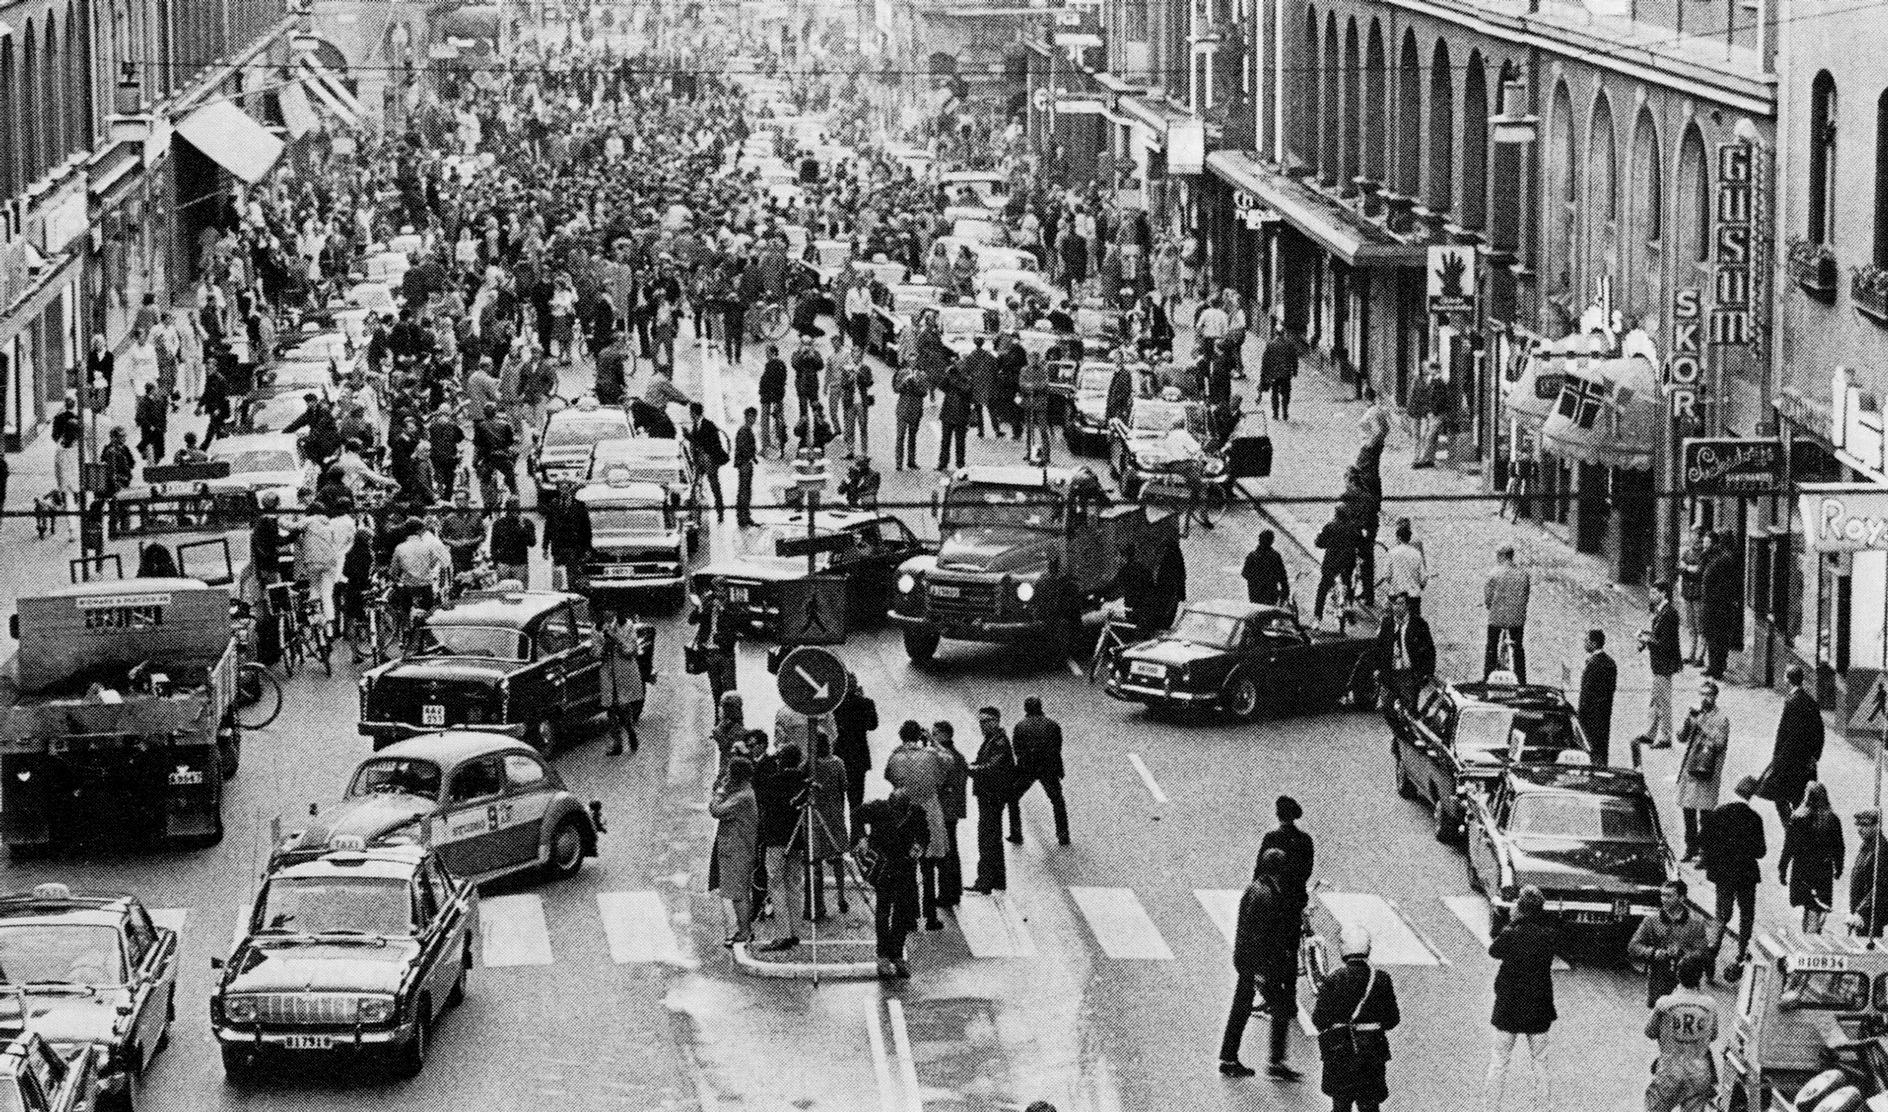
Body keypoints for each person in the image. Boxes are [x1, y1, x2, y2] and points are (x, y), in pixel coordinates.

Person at [1219, 850, 1302, 1080]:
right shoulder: (1268, 897)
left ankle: (1228, 1058)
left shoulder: (1254, 889)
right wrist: (1261, 971)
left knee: (1241, 1008)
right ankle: (1275, 1062)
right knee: (1281, 1007)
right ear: (1279, 869)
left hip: (1246, 960)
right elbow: (1261, 936)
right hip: (1259, 964)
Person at [1484, 886, 1556, 1112]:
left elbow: (1494, 951)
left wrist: (1513, 922)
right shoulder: (1547, 936)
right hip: (1538, 1006)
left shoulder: (1511, 934)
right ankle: (1542, 1108)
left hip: (1509, 1006)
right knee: (1540, 1062)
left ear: (1520, 908)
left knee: (1499, 1062)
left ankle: (1491, 1108)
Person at [1312, 926, 1400, 1112]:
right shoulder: (1381, 979)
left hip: (1341, 1053)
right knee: (1369, 1106)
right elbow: (1392, 1019)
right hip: (1372, 1052)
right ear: (1368, 948)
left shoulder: (1334, 979)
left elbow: (1319, 1019)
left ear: (1344, 949)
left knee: (1341, 1105)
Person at [855, 786, 929, 979]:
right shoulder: (878, 808)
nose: (897, 817)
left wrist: (919, 847)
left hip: (905, 867)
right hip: (885, 866)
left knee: (902, 913)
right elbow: (856, 814)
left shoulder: (916, 813)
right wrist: (862, 838)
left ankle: (896, 953)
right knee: (883, 911)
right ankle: (882, 954)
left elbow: (925, 835)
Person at [885, 721, 951, 930]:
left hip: (905, 815)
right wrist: (932, 742)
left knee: (907, 868)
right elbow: (949, 762)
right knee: (929, 867)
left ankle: (910, 918)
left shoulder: (895, 757)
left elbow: (888, 776)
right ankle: (931, 917)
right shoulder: (931, 755)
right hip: (929, 812)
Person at [1701, 774, 1765, 979]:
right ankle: (1740, 955)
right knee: (1746, 915)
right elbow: (1760, 851)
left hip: (1723, 873)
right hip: (1746, 874)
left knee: (1722, 914)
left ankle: (1711, 952)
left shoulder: (1719, 813)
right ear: (1751, 796)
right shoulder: (1754, 818)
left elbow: (1703, 840)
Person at [752, 741, 807, 952]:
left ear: (781, 761)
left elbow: (762, 799)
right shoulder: (803, 783)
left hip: (776, 839)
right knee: (794, 883)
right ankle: (795, 932)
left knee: (776, 885)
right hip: (797, 839)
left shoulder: (773, 782)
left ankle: (782, 934)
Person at [1644, 955, 1718, 1112]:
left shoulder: (1664, 1003)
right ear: (1700, 977)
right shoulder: (1710, 1005)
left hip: (1670, 1070)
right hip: (1699, 1072)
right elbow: (1713, 1035)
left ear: (1678, 975)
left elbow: (1649, 1032)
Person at [1628, 880, 1715, 1007]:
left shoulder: (1696, 923)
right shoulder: (1651, 920)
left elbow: (1703, 953)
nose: (1663, 899)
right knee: (1658, 1020)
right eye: (1662, 895)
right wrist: (1653, 952)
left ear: (1681, 898)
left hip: (1686, 985)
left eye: (1669, 896)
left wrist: (1683, 953)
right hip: (1658, 981)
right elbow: (1633, 946)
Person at [1758, 664, 1824, 828]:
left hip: (1790, 762)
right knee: (1801, 800)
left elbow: (1788, 736)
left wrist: (1778, 759)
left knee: (1780, 797)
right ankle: (1799, 833)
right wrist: (1814, 756)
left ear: (1787, 680)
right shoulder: (1810, 701)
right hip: (1806, 762)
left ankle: (1792, 831)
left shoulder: (1792, 702)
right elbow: (1819, 732)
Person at [1779, 782, 1844, 934]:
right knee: (1817, 905)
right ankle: (1813, 933)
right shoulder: (1832, 819)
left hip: (1802, 870)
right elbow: (1839, 848)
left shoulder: (1798, 818)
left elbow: (1788, 847)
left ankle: (1809, 935)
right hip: (1823, 871)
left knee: (1809, 904)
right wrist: (1838, 868)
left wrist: (1782, 870)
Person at [1677, 680, 1730, 862]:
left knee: (1706, 815)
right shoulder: (1696, 713)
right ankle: (1690, 847)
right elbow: (1681, 738)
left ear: (1715, 696)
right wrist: (1688, 720)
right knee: (1688, 811)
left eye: (1708, 694)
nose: (1704, 697)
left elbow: (1720, 743)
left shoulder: (1721, 718)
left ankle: (1706, 853)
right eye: (1702, 694)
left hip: (1708, 771)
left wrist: (1702, 725)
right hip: (1691, 769)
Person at [1005, 696, 1069, 846]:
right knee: (1057, 800)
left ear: (1026, 708)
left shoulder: (1020, 726)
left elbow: (1017, 750)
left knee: (1012, 797)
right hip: (1048, 768)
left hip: (1028, 769)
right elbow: (1057, 747)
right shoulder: (1053, 725)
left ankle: (1016, 833)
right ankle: (1063, 834)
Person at [709, 758, 759, 947]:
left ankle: (744, 931)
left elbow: (716, 810)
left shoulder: (742, 797)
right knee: (739, 892)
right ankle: (743, 929)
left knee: (738, 893)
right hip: (738, 849)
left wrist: (720, 792)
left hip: (738, 850)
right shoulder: (744, 793)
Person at [967, 707, 1017, 893]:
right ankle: (997, 879)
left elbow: (990, 768)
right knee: (993, 838)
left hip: (992, 796)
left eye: (986, 721)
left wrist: (970, 769)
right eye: (981, 721)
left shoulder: (999, 742)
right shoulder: (993, 740)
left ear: (996, 721)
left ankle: (985, 881)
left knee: (987, 838)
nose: (982, 725)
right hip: (992, 795)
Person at [1633, 581, 1684, 762]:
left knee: (1663, 701)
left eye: (1654, 593)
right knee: (1655, 699)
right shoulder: (1663, 612)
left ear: (1663, 594)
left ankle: (1665, 736)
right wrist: (1647, 636)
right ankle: (1651, 732)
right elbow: (1658, 636)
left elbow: (1666, 644)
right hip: (1659, 664)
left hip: (1664, 664)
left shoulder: (1669, 614)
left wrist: (1645, 639)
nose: (1651, 595)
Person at [1374, 593, 1435, 716]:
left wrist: (1426, 674)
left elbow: (1429, 650)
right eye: (1395, 604)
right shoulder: (1387, 624)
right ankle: (1400, 734)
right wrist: (1377, 668)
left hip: (1409, 674)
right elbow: (1378, 648)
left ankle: (1408, 734)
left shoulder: (1418, 624)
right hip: (1390, 673)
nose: (1397, 607)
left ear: (1407, 606)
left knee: (1408, 712)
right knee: (1387, 708)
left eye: (1400, 604)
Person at [931, 720, 969, 914]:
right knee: (951, 851)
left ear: (945, 735)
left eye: (935, 733)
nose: (932, 736)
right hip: (952, 810)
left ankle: (946, 893)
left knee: (943, 852)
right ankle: (954, 890)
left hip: (944, 810)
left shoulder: (945, 757)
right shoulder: (957, 756)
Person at [833, 672, 879, 834]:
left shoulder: (834, 704)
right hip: (858, 757)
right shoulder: (866, 703)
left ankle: (839, 836)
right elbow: (872, 725)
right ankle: (856, 835)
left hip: (838, 755)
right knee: (856, 801)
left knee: (837, 801)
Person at [1258, 796, 1314, 916]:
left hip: (1272, 900)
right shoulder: (1305, 839)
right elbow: (1307, 871)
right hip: (1296, 900)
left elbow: (1259, 870)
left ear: (1278, 814)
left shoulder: (1271, 838)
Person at [1483, 544, 1531, 682]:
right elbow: (1526, 597)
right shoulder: (1523, 574)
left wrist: (1490, 607)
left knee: (1491, 646)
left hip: (1497, 618)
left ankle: (1488, 677)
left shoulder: (1493, 574)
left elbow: (1488, 600)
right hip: (1517, 619)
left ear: (1502, 556)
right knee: (1518, 648)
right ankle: (1521, 680)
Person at [601, 609, 645, 755]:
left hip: (624, 673)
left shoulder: (628, 627)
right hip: (610, 673)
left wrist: (615, 640)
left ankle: (631, 733)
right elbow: (599, 651)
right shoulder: (605, 628)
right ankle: (618, 744)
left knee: (623, 707)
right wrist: (605, 643)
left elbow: (630, 651)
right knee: (611, 710)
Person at [1700, 533, 1739, 679]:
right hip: (1716, 605)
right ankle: (1713, 667)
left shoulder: (1724, 558)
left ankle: (1717, 668)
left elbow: (1707, 577)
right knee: (1713, 637)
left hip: (1718, 606)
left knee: (1718, 638)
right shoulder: (1722, 556)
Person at [1577, 630, 1618, 767]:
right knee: (1602, 748)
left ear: (1594, 644)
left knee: (1591, 749)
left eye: (1586, 641)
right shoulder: (1610, 663)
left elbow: (1587, 693)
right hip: (1604, 713)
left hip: (1590, 716)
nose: (1584, 643)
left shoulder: (1593, 664)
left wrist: (1581, 713)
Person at [687, 402, 729, 520]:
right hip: (700, 462)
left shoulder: (708, 425)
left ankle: (720, 512)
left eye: (691, 413)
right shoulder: (696, 425)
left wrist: (689, 437)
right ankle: (695, 514)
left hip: (710, 461)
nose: (690, 415)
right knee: (696, 487)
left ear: (694, 413)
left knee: (715, 486)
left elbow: (705, 442)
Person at [1850, 810, 1888, 938]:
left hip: (1872, 914)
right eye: (1858, 825)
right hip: (1860, 915)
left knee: (1870, 951)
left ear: (1876, 826)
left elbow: (1881, 886)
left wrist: (1861, 912)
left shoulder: (1881, 850)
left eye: (1865, 825)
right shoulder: (1866, 847)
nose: (1860, 829)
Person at [488, 497, 536, 588]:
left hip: (520, 564)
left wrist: (523, 529)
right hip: (503, 564)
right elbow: (493, 545)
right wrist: (495, 563)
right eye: (511, 508)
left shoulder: (526, 523)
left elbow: (532, 542)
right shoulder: (499, 524)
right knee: (503, 593)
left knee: (520, 592)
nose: (514, 511)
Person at [1382, 520, 1428, 616]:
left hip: (1395, 594)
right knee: (1416, 622)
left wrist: (1395, 583)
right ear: (1409, 537)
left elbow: (1387, 576)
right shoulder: (1417, 554)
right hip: (1413, 596)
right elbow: (1423, 578)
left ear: (1398, 538)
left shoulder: (1392, 553)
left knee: (1388, 622)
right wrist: (1419, 586)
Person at [1258, 320, 1297, 422]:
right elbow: (1294, 358)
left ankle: (1275, 414)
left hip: (1274, 374)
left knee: (1274, 393)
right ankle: (1285, 412)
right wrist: (1295, 370)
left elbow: (1265, 361)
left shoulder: (1270, 344)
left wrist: (1264, 374)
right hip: (1286, 373)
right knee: (1286, 393)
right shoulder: (1289, 344)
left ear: (1275, 332)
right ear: (1284, 332)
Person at [1242, 530, 1290, 608]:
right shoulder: (1275, 556)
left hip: (1256, 592)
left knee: (1258, 614)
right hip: (1269, 592)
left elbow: (1245, 573)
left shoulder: (1252, 556)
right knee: (1267, 614)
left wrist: (1256, 579)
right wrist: (1285, 590)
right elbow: (1282, 575)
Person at [733, 406, 759, 527]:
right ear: (746, 417)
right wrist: (751, 456)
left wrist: (754, 458)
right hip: (744, 464)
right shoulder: (744, 430)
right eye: (751, 416)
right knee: (744, 491)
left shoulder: (746, 429)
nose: (753, 419)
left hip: (746, 462)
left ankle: (745, 516)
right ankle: (743, 517)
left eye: (754, 416)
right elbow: (743, 448)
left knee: (746, 491)